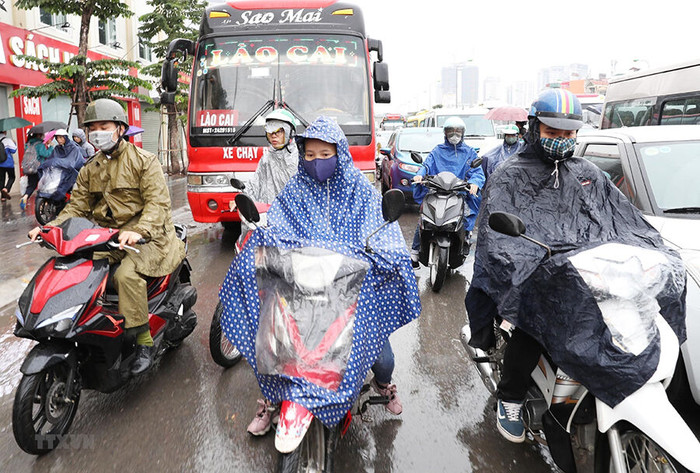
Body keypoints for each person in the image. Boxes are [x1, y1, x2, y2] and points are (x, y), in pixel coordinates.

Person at [464, 89, 686, 444]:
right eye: (554, 134)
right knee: (532, 326)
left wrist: (654, 250)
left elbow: (621, 219)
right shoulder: (509, 174)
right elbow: (499, 238)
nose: (562, 141)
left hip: (586, 270)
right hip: (537, 270)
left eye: (569, 135)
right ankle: (510, 397)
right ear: (535, 129)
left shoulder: (588, 172)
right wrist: (530, 263)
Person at [219, 116, 421, 436]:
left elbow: (383, 233)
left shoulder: (360, 190)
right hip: (303, 283)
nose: (316, 162)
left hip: (350, 286)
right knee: (272, 342)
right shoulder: (296, 190)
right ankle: (272, 401)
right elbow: (279, 227)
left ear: (339, 153)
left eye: (325, 155)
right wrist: (261, 243)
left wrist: (386, 255)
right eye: (310, 155)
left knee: (380, 356)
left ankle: (384, 385)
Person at [28, 98, 186, 375]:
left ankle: (143, 341)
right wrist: (49, 227)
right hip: (107, 237)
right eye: (93, 128)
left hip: (148, 237)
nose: (98, 132)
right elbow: (77, 206)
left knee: (124, 276)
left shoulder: (144, 161)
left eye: (104, 126)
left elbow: (157, 204)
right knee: (81, 270)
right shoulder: (90, 168)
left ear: (120, 128)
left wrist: (138, 231)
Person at [410, 117, 485, 264]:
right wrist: (419, 174)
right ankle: (415, 250)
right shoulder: (438, 150)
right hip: (437, 191)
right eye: (451, 131)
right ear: (445, 133)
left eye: (458, 131)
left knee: (467, 213)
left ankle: (467, 235)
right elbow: (427, 165)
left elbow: (477, 172)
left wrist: (475, 183)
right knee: (424, 216)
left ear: (463, 133)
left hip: (459, 193)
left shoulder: (469, 152)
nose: (454, 135)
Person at [228, 108, 298, 209]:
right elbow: (255, 183)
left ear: (289, 132)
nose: (274, 136)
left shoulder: (301, 157)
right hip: (272, 215)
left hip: (296, 215)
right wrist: (241, 200)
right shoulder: (267, 158)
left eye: (279, 131)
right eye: (270, 132)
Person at [19, 132, 53, 210]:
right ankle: (40, 203)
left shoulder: (27, 144)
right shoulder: (39, 144)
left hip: (30, 168)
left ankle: (25, 197)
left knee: (31, 185)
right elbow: (46, 154)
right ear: (38, 135)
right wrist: (50, 146)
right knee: (43, 185)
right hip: (39, 168)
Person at [0, 130, 18, 201]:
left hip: (0, 164)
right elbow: (14, 150)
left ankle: (3, 197)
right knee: (12, 177)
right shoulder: (7, 140)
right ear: (4, 132)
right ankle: (6, 189)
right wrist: (14, 143)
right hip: (8, 163)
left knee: (1, 179)